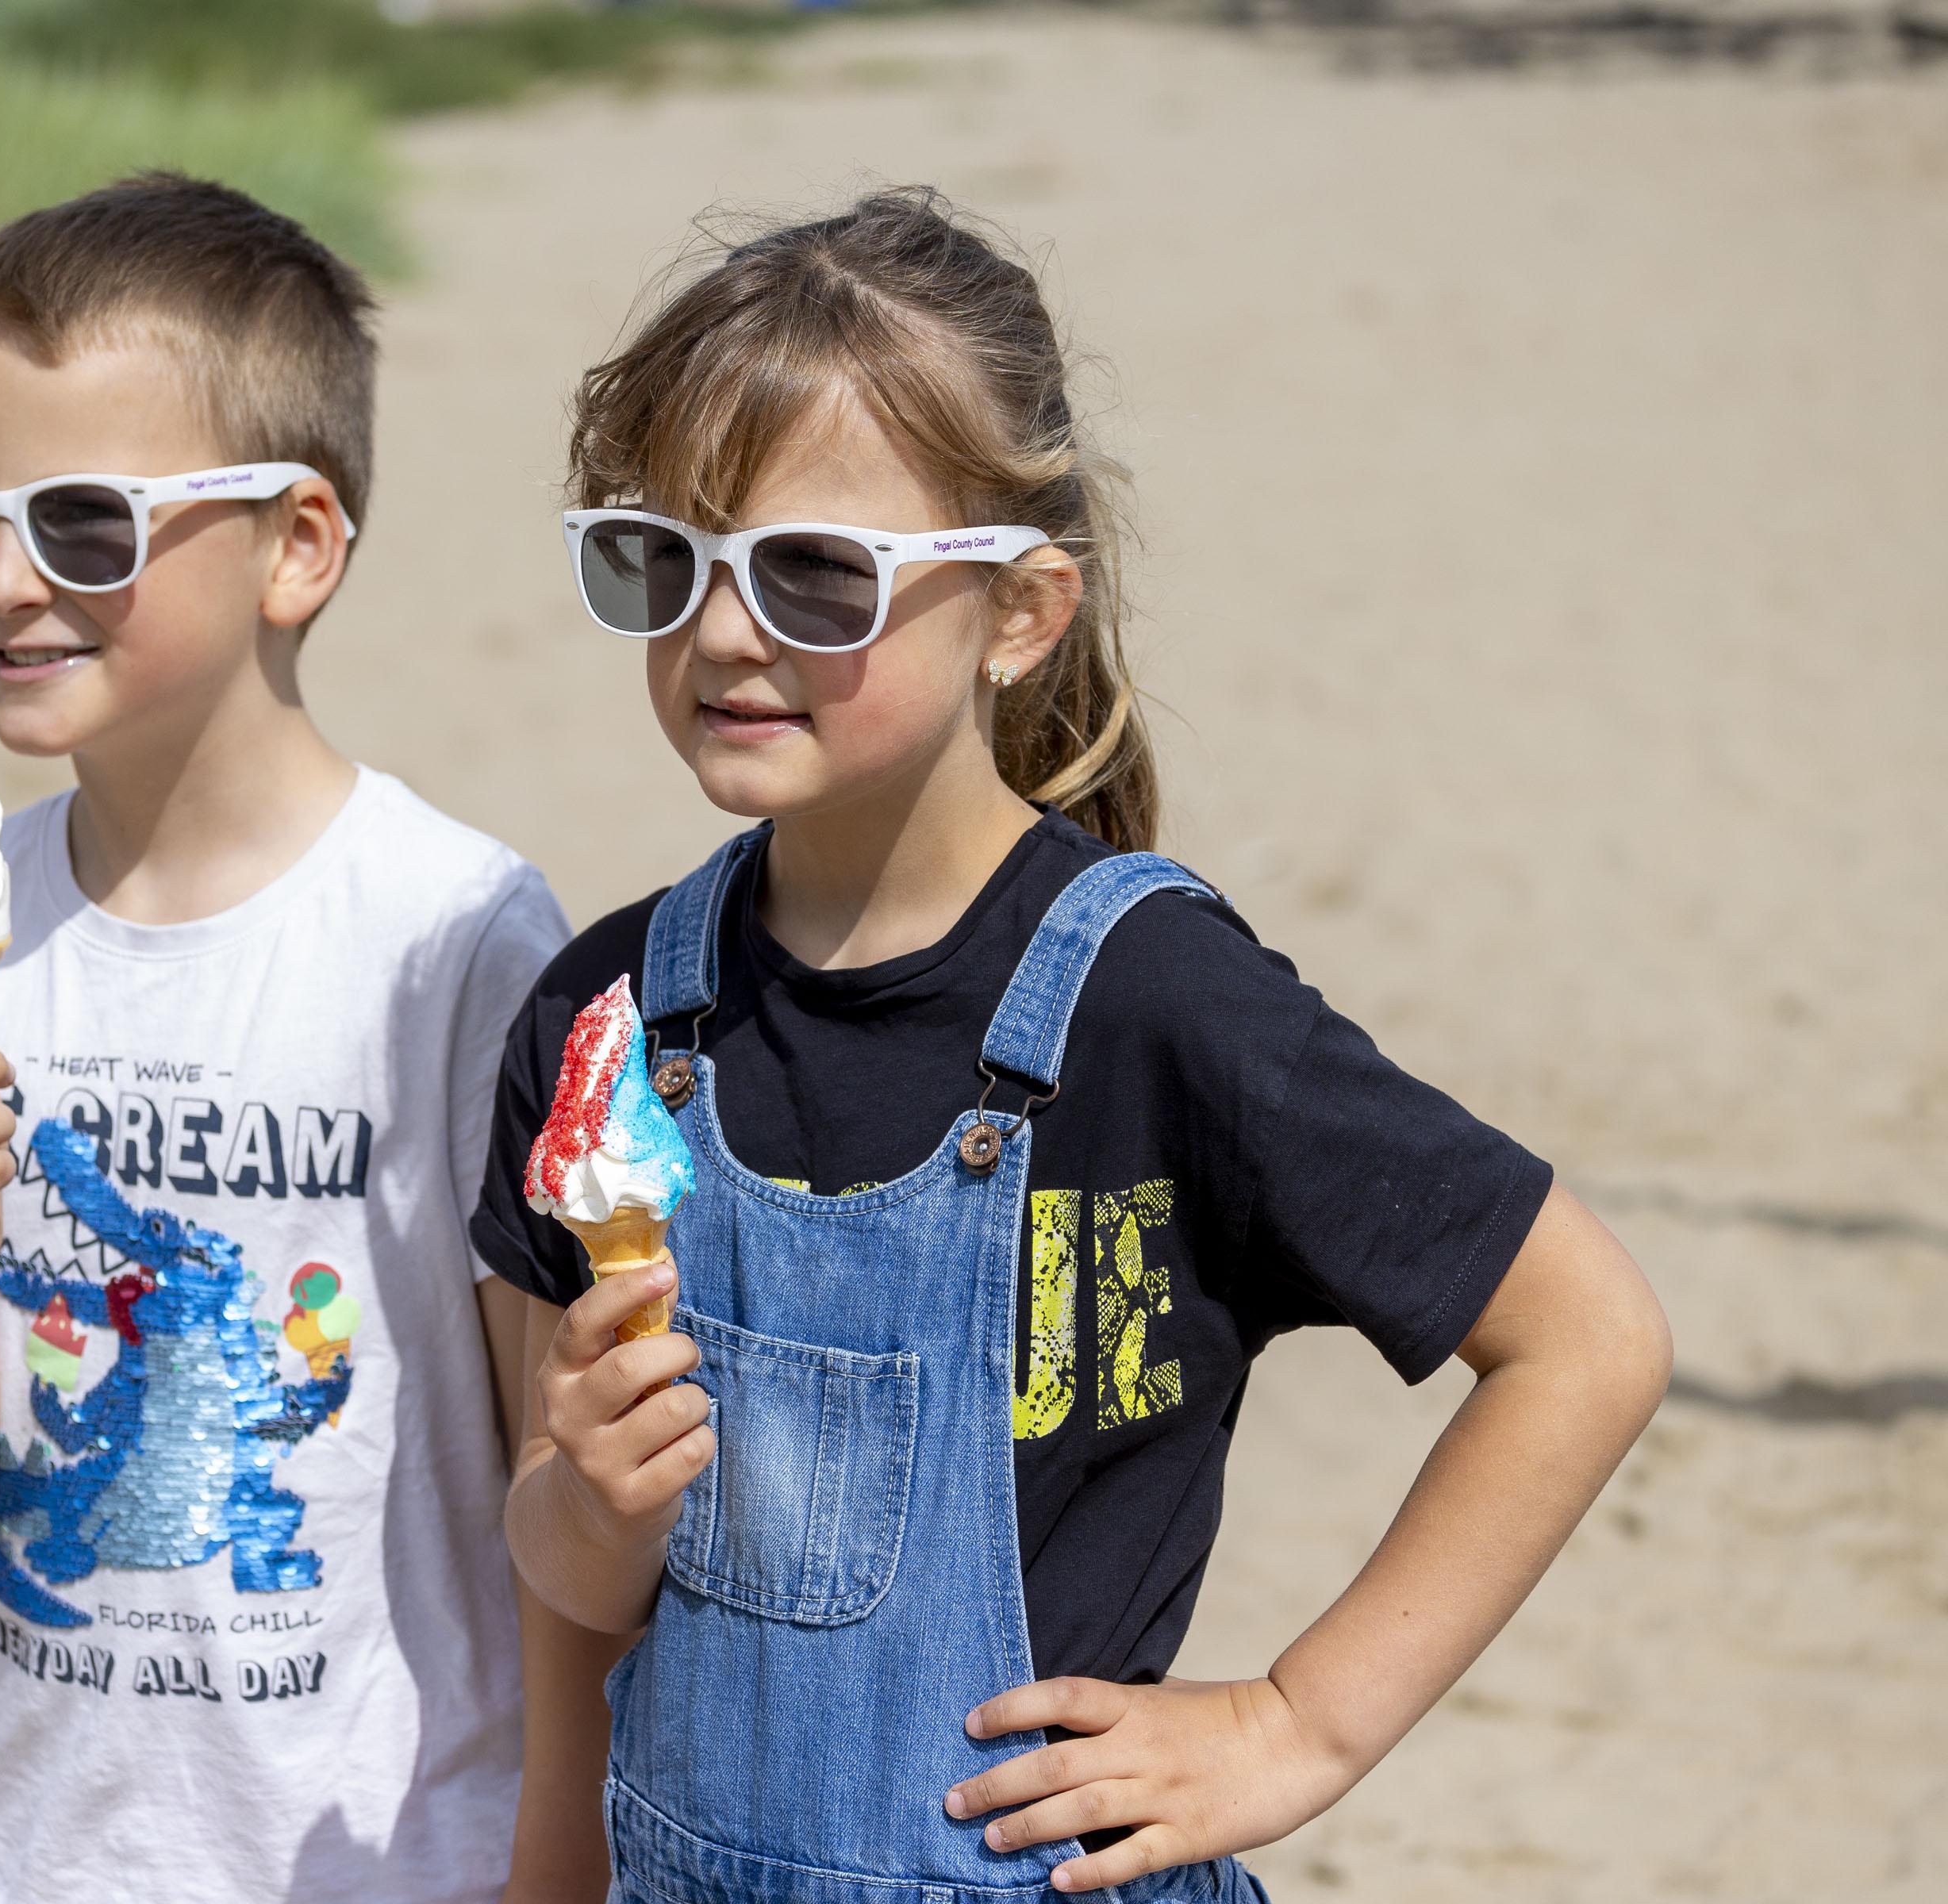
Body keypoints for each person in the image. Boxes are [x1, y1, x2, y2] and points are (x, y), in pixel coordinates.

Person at [471, 187, 1673, 1902]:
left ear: (1023, 613)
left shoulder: (1156, 1006)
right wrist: (586, 1509)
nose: (725, 632)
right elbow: (562, 1582)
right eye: (661, 560)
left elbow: (1587, 1335)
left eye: (815, 573)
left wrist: (1292, 1724)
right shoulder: (602, 1022)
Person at [0, 174, 618, 1904]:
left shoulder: (460, 937)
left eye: (89, 524)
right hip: (45, 1858)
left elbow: (554, 1481)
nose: (4, 584)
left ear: (298, 544)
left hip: (404, 1857)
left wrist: (560, 1838)